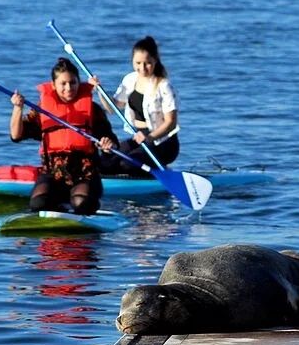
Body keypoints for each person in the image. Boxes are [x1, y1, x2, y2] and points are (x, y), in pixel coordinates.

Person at [10, 57, 119, 215]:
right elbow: (16, 136)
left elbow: (112, 141)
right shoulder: (42, 111)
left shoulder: (93, 110)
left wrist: (109, 145)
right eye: (63, 84)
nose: (69, 88)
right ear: (53, 85)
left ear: (78, 82)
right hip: (53, 175)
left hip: (85, 175)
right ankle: (59, 206)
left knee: (81, 203)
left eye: (73, 83)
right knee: (38, 204)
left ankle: (85, 206)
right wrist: (18, 109)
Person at [90, 36, 180, 176]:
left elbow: (171, 123)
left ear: (155, 61)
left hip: (163, 143)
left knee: (126, 164)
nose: (142, 68)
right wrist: (99, 90)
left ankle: (160, 173)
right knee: (105, 164)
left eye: (147, 63)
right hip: (138, 137)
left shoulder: (164, 85)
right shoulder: (130, 80)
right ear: (132, 61)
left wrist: (150, 137)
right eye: (138, 63)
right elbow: (112, 108)